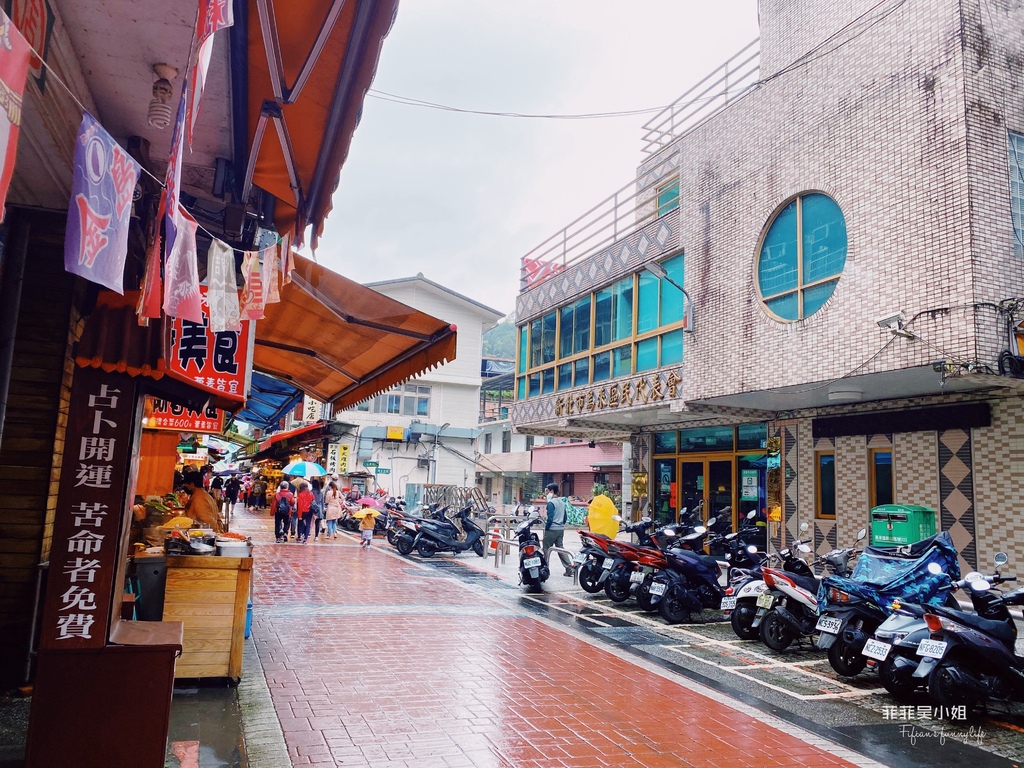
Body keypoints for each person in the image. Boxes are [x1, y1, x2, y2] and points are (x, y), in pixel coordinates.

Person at [543, 482, 574, 577]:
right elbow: (565, 517)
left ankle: (544, 569)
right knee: (560, 549)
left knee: (546, 549)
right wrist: (561, 524)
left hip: (552, 529)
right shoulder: (562, 502)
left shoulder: (551, 503)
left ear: (552, 491)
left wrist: (547, 527)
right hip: (560, 529)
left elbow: (550, 517)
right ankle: (569, 568)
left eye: (547, 491)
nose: (546, 493)